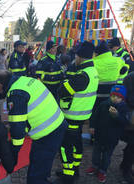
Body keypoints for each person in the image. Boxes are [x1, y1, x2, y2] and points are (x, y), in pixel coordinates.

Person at [0, 70, 68, 184]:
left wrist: (13, 154)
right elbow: (30, 114)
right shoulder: (26, 80)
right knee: (39, 164)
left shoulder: (16, 94)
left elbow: (18, 131)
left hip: (47, 134)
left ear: (0, 85)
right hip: (56, 125)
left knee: (35, 178)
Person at [55, 41, 99, 184]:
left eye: (76, 56)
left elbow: (62, 90)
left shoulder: (82, 75)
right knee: (77, 143)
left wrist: (65, 81)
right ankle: (75, 169)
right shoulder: (92, 71)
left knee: (65, 146)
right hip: (81, 116)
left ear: (80, 57)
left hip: (72, 116)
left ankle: (68, 176)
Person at [86, 85, 130, 183]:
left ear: (122, 99)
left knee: (107, 155)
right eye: (113, 96)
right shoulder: (103, 104)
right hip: (99, 135)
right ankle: (94, 166)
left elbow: (125, 122)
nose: (115, 98)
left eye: (118, 97)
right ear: (110, 95)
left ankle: (102, 171)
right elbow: (95, 116)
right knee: (96, 152)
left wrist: (116, 115)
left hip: (112, 138)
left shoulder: (124, 108)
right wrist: (92, 126)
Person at [120, 72, 134, 184]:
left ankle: (125, 165)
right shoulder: (130, 78)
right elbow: (129, 98)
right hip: (131, 115)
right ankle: (126, 170)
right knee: (132, 144)